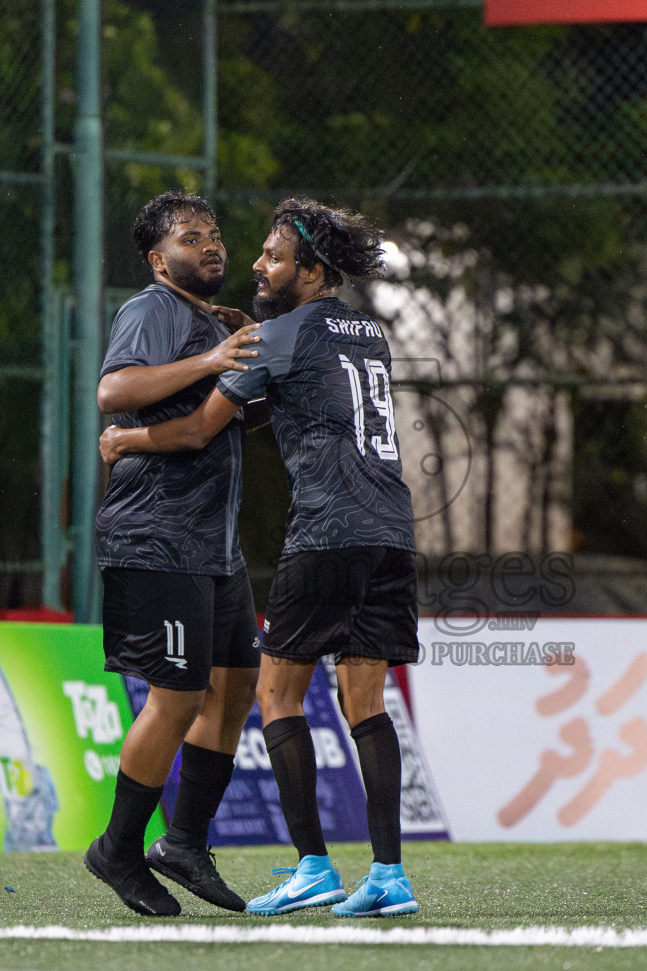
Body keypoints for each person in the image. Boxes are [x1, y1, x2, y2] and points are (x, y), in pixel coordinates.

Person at [100, 197, 421, 918]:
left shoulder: (275, 334)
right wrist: (249, 343)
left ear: (310, 268)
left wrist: (128, 441)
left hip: (326, 533)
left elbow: (200, 429)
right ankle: (388, 876)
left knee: (271, 695)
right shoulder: (366, 330)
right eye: (199, 237)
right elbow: (305, 375)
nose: (251, 261)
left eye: (271, 257)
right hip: (391, 532)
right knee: (361, 702)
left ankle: (309, 866)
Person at [82, 190, 266, 918]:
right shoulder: (150, 310)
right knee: (178, 696)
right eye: (192, 237)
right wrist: (215, 358)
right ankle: (119, 849)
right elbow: (113, 390)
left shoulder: (206, 323)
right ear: (161, 260)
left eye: (215, 233)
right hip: (156, 536)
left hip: (214, 545)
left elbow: (219, 424)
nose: (211, 244)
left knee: (236, 685)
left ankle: (184, 842)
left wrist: (244, 349)